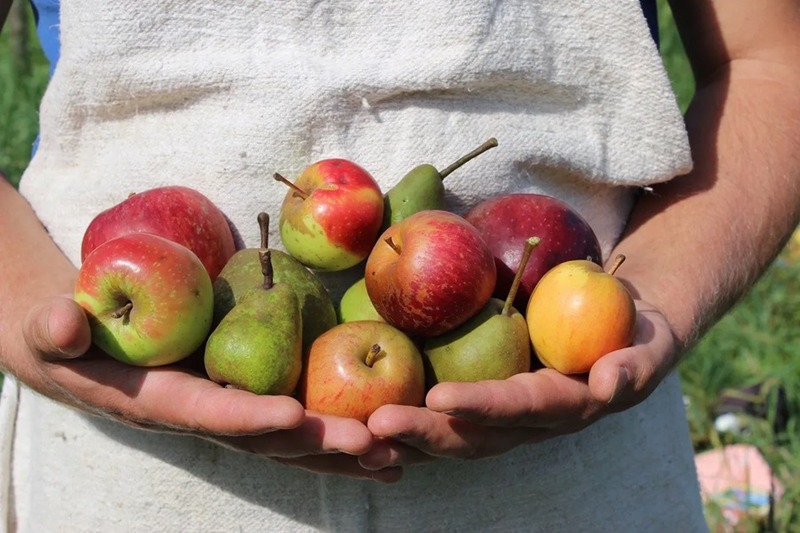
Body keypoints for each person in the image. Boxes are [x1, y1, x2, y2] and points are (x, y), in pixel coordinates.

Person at [1, 0, 798, 530]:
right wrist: (26, 310)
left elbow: (775, 61)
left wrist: (650, 303)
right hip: (127, 465)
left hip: (572, 462)